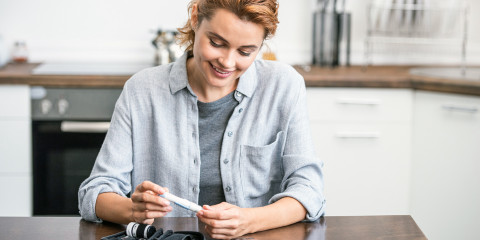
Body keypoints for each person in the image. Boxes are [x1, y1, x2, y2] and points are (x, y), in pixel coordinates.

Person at [78, 0, 325, 239]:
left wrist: (249, 221)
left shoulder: (284, 86)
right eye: (217, 43)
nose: (227, 62)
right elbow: (95, 192)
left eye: (245, 51)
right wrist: (132, 209)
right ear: (195, 18)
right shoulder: (142, 90)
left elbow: (309, 191)